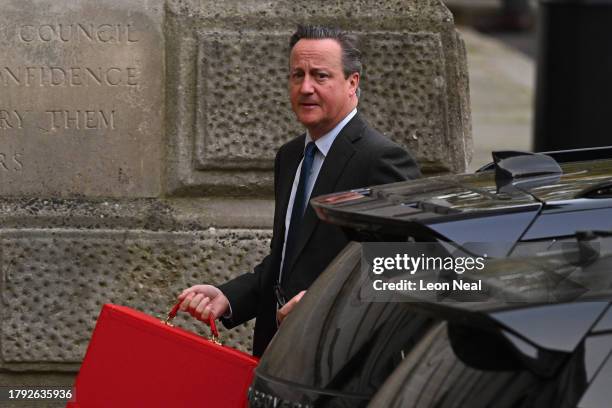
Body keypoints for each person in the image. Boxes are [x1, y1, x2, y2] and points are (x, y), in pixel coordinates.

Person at [177, 25, 420, 357]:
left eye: (320, 76)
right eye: (297, 75)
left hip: (340, 362)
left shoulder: (382, 159)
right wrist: (231, 297)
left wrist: (325, 304)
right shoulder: (290, 156)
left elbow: (411, 269)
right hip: (277, 355)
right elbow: (288, 262)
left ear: (352, 83)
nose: (306, 88)